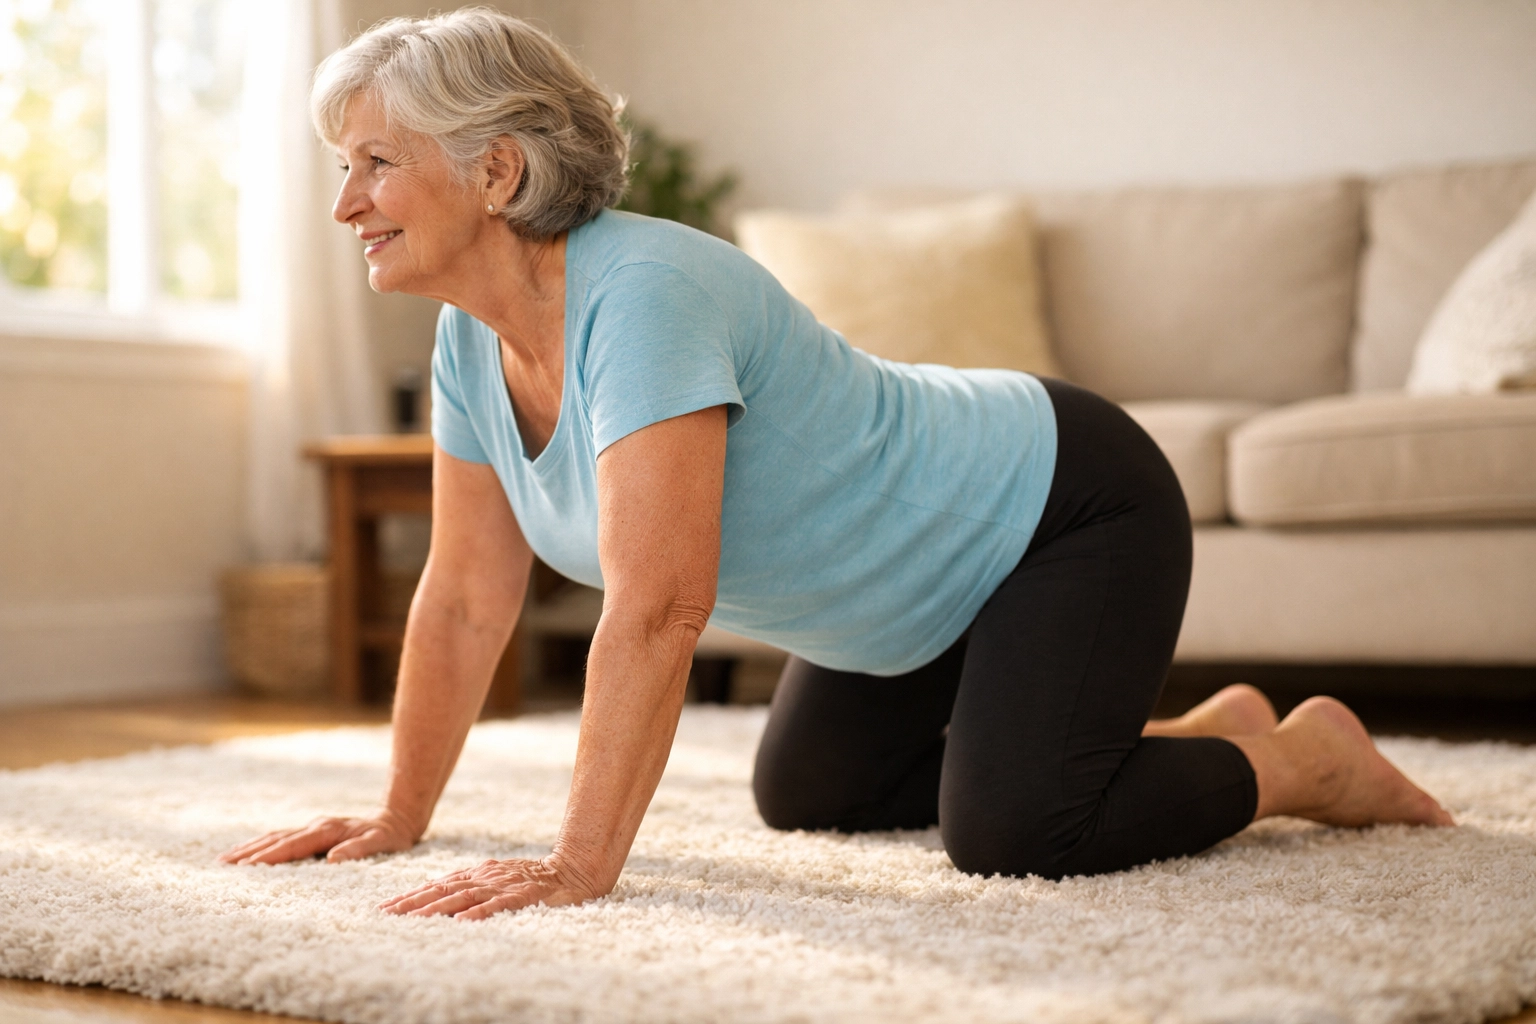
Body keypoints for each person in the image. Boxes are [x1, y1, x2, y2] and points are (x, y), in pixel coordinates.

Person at [218, 8, 1452, 920]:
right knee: (813, 793)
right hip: (913, 591)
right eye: (345, 168)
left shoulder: (642, 294)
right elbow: (463, 596)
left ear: (496, 171)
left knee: (1017, 831)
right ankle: (1186, 732)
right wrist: (400, 815)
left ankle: (1302, 758)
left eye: (377, 163)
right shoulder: (467, 341)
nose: (347, 203)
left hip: (1062, 506)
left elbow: (659, 606)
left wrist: (579, 864)